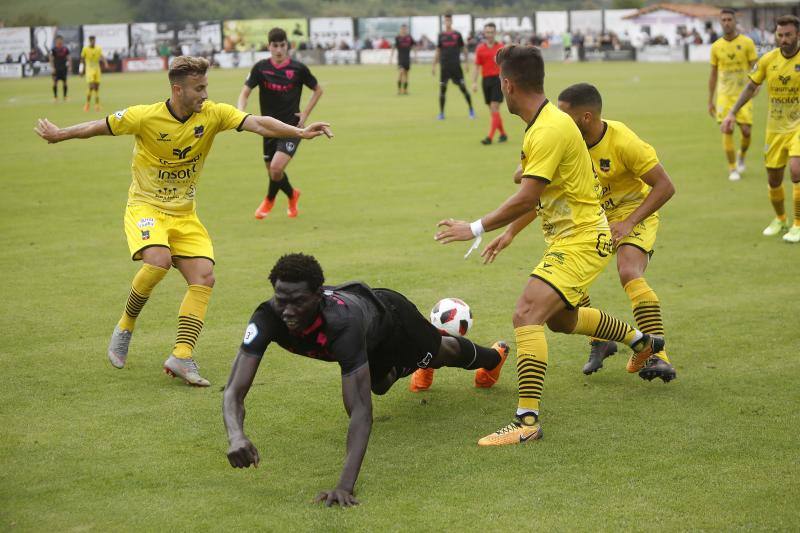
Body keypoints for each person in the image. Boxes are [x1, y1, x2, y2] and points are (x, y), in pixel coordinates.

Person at [34, 56, 333, 386]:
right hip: (146, 207)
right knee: (158, 260)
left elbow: (258, 123)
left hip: (184, 214)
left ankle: (181, 355)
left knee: (204, 278)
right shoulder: (144, 116)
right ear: (178, 90)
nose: (205, 94)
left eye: (206, 86)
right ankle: (126, 324)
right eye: (199, 88)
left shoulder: (213, 114)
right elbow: (97, 126)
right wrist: (60, 134)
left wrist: (299, 132)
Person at [435, 46, 664, 447]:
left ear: (507, 84)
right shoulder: (545, 125)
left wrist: (474, 227)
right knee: (560, 320)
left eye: (499, 83)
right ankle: (642, 342)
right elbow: (539, 193)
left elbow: (527, 197)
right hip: (572, 237)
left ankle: (527, 420)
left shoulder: (548, 128)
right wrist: (507, 233)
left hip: (579, 239)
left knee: (526, 313)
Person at [223, 253, 509, 505]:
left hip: (394, 321)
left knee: (441, 351)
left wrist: (343, 487)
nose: (286, 311)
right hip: (366, 335)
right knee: (380, 385)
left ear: (318, 295)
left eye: (297, 302)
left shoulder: (340, 325)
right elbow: (234, 389)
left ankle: (494, 358)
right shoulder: (267, 317)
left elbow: (360, 411)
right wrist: (236, 435)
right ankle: (408, 366)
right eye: (280, 299)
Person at [552, 83, 676, 381]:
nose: (558, 122)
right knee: (569, 275)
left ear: (586, 117)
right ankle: (600, 341)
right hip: (593, 217)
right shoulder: (569, 142)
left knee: (628, 270)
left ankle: (657, 356)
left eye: (564, 115)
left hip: (634, 213)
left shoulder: (622, 141)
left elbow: (665, 186)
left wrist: (629, 222)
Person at [721, 15, 800, 242]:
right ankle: (781, 219)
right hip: (775, 129)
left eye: (788, 35)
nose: (783, 39)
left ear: (798, 35)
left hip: (798, 127)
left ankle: (798, 224)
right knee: (774, 179)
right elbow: (750, 87)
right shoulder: (768, 60)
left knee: (796, 170)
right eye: (780, 35)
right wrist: (732, 113)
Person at [238, 28, 323, 220]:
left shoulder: (298, 69)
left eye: (282, 45)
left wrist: (305, 114)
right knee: (273, 173)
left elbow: (318, 90)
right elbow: (245, 93)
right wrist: (240, 112)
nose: (278, 49)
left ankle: (268, 201)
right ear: (269, 46)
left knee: (276, 169)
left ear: (288, 45)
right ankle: (292, 195)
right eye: (274, 45)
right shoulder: (260, 68)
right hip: (267, 127)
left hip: (292, 127)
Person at [708, 9, 758, 181]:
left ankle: (742, 155)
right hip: (724, 96)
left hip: (744, 95)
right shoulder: (716, 47)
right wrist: (710, 100)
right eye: (724, 20)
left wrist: (756, 86)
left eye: (729, 19)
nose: (727, 22)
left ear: (735, 21)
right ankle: (732, 169)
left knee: (746, 132)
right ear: (720, 22)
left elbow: (755, 67)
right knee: (727, 129)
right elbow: (713, 74)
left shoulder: (747, 43)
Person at [432, 13, 474, 120]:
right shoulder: (441, 35)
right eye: (446, 21)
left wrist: (466, 63)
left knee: (463, 88)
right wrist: (434, 65)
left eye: (449, 20)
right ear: (444, 22)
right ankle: (441, 113)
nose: (448, 22)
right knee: (442, 90)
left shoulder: (457, 34)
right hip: (444, 67)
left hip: (456, 67)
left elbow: (464, 49)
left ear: (452, 21)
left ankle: (471, 110)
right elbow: (438, 50)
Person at [472, 22, 507, 145]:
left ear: (495, 33)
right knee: (493, 110)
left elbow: (507, 66)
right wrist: (474, 82)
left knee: (494, 107)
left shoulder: (502, 48)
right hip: (486, 80)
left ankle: (489, 137)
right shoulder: (480, 48)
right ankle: (503, 134)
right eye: (487, 32)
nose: (490, 34)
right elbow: (476, 67)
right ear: (484, 33)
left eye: (492, 32)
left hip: (498, 80)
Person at [80, 36, 109, 112]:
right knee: (91, 86)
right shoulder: (85, 49)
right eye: (92, 41)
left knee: (96, 88)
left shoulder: (98, 48)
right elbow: (82, 60)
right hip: (89, 70)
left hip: (97, 70)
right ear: (89, 41)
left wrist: (105, 62)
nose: (93, 42)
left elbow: (101, 56)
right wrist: (81, 69)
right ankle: (87, 104)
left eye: (94, 41)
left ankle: (97, 105)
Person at [390, 24, 415, 95]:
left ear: (406, 29)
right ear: (400, 29)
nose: (404, 30)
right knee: (401, 73)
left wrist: (416, 56)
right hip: (400, 59)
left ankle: (405, 90)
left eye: (405, 29)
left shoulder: (409, 37)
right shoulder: (397, 38)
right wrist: (391, 57)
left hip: (407, 59)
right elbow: (393, 47)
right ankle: (399, 90)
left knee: (406, 75)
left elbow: (414, 45)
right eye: (402, 29)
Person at [50, 35, 71, 103]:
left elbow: (69, 57)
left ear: (62, 41)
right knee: (55, 83)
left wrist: (70, 66)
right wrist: (52, 67)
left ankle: (65, 96)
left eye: (60, 40)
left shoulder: (65, 49)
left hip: (63, 68)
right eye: (58, 40)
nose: (59, 42)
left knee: (65, 82)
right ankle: (55, 97)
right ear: (56, 41)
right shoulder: (53, 49)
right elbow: (51, 59)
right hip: (56, 69)